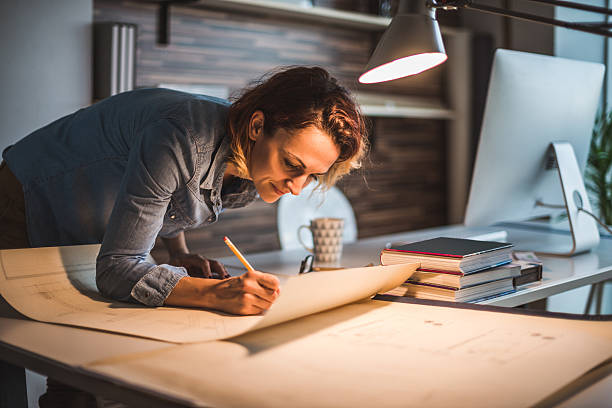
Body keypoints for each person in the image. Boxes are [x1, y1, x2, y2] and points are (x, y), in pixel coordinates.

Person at [0, 66, 367, 406]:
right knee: (26, 348)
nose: (298, 188)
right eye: (293, 165)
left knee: (86, 356)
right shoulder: (179, 137)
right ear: (257, 127)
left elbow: (162, 200)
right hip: (26, 194)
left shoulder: (251, 167)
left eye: (312, 176)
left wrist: (179, 252)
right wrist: (214, 295)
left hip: (89, 214)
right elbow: (116, 269)